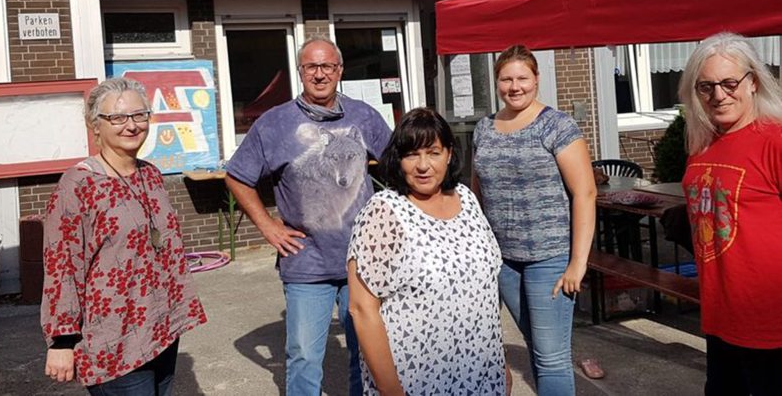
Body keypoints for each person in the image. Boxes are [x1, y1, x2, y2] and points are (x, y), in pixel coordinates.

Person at [225, 36, 392, 395]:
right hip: (307, 262)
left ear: (340, 70)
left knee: (365, 351)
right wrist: (267, 226)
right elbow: (237, 176)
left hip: (362, 260)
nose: (320, 74)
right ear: (300, 72)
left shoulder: (364, 116)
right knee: (303, 355)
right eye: (311, 67)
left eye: (327, 66)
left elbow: (399, 165)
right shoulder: (275, 123)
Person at [41, 77, 207, 395]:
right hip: (113, 340)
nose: (130, 126)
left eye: (139, 115)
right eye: (117, 118)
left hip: (161, 328)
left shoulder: (151, 175)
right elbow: (62, 265)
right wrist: (62, 340)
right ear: (95, 125)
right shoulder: (77, 186)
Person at [347, 107, 507, 395]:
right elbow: (362, 308)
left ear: (448, 154)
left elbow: (484, 290)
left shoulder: (467, 200)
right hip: (417, 380)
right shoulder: (384, 211)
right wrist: (391, 389)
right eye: (412, 154)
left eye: (433, 152)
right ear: (399, 159)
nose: (423, 166)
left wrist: (500, 362)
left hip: (481, 375)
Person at [472, 44, 597, 395]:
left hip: (550, 258)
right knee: (537, 349)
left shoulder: (556, 126)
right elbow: (477, 192)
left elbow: (585, 193)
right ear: (496, 82)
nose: (515, 86)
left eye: (522, 78)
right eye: (506, 79)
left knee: (552, 359)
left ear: (537, 78)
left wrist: (577, 263)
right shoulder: (484, 129)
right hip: (503, 260)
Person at [679, 32, 782, 396]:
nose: (718, 95)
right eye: (706, 86)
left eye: (729, 82)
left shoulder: (774, 139)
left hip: (771, 327)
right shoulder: (702, 145)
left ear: (753, 82)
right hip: (721, 317)